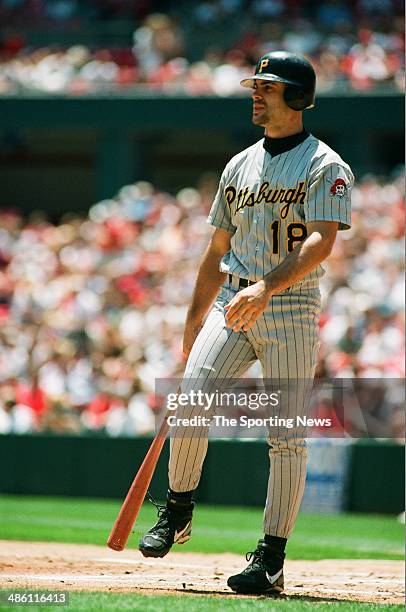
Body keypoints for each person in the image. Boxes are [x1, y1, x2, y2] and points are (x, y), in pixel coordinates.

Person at [139, 51, 354, 595]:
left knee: (284, 436)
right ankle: (178, 509)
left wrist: (267, 286)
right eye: (255, 85)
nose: (256, 94)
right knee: (191, 399)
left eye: (268, 87)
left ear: (297, 97)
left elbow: (322, 241)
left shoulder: (325, 165)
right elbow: (216, 251)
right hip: (232, 299)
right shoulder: (238, 165)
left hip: (289, 305)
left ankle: (271, 558)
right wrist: (192, 323)